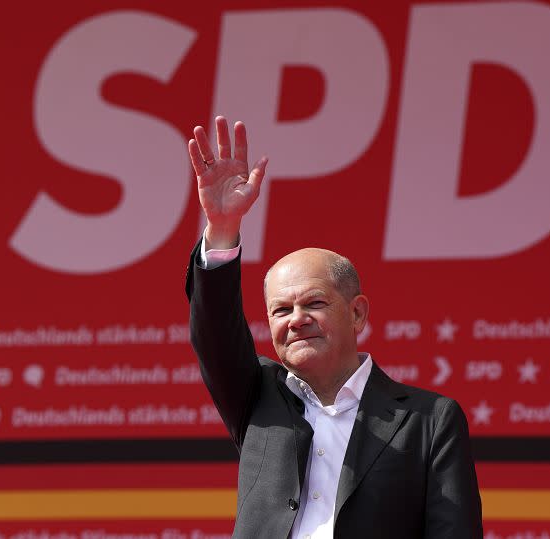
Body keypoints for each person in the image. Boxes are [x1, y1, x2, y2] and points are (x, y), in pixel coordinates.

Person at [185, 116, 483, 538]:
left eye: (314, 303)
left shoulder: (429, 421)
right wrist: (222, 228)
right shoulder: (256, 398)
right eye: (280, 310)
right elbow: (213, 334)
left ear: (357, 313)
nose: (297, 320)